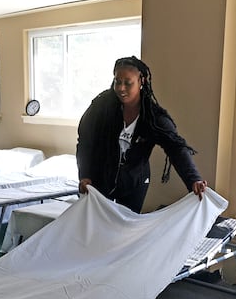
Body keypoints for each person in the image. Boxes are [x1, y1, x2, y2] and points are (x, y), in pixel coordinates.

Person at [76, 56, 208, 213]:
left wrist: (194, 179)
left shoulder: (152, 117)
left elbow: (176, 148)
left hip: (134, 183)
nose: (121, 88)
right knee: (96, 226)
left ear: (141, 81)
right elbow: (85, 141)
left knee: (126, 229)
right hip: (99, 180)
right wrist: (85, 174)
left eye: (128, 82)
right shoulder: (101, 106)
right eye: (117, 81)